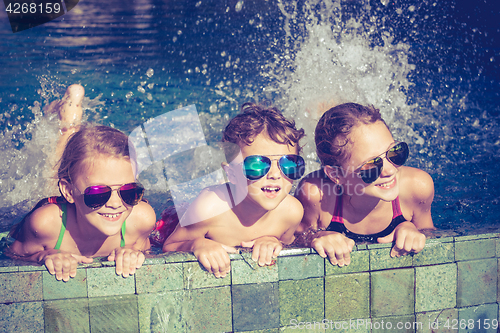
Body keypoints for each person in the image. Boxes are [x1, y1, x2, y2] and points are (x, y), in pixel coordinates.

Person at [7, 85, 156, 281]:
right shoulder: (45, 225)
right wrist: (43, 255)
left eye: (129, 191)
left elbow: (151, 250)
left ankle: (70, 121)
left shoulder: (140, 220)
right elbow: (11, 255)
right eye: (98, 193)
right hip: (62, 209)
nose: (115, 203)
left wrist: (135, 252)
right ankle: (67, 124)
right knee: (49, 181)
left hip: (77, 195)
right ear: (68, 192)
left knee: (77, 171)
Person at [163, 102, 306, 278]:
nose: (275, 174)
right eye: (257, 165)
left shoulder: (291, 212)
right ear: (231, 173)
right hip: (181, 220)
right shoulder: (208, 209)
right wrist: (197, 244)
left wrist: (274, 241)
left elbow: (292, 246)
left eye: (289, 164)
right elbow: (169, 246)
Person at [294, 103, 434, 267]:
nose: (389, 170)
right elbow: (293, 238)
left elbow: (436, 237)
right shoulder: (316, 195)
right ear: (336, 175)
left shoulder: (417, 187)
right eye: (372, 166)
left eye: (394, 152)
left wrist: (413, 230)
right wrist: (316, 237)